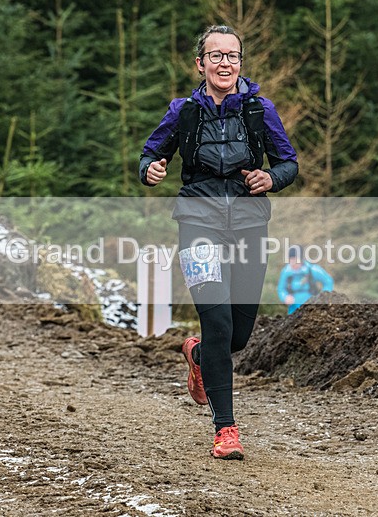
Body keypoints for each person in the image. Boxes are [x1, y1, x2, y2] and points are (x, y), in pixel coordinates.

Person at [139, 25, 298, 460]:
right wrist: (151, 169)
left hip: (248, 223)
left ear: (240, 63)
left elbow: (288, 163)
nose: (224, 62)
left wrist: (271, 177)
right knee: (219, 324)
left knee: (240, 333)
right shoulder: (183, 111)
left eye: (232, 56)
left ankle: (198, 355)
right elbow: (151, 153)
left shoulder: (260, 110)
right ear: (201, 63)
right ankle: (226, 429)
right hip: (198, 221)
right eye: (216, 55)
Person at [277, 244, 334, 314]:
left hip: (311, 305)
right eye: (291, 260)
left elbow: (328, 281)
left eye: (295, 260)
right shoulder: (286, 272)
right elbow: (281, 289)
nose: (293, 263)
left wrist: (323, 296)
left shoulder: (312, 269)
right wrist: (285, 297)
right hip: (293, 307)